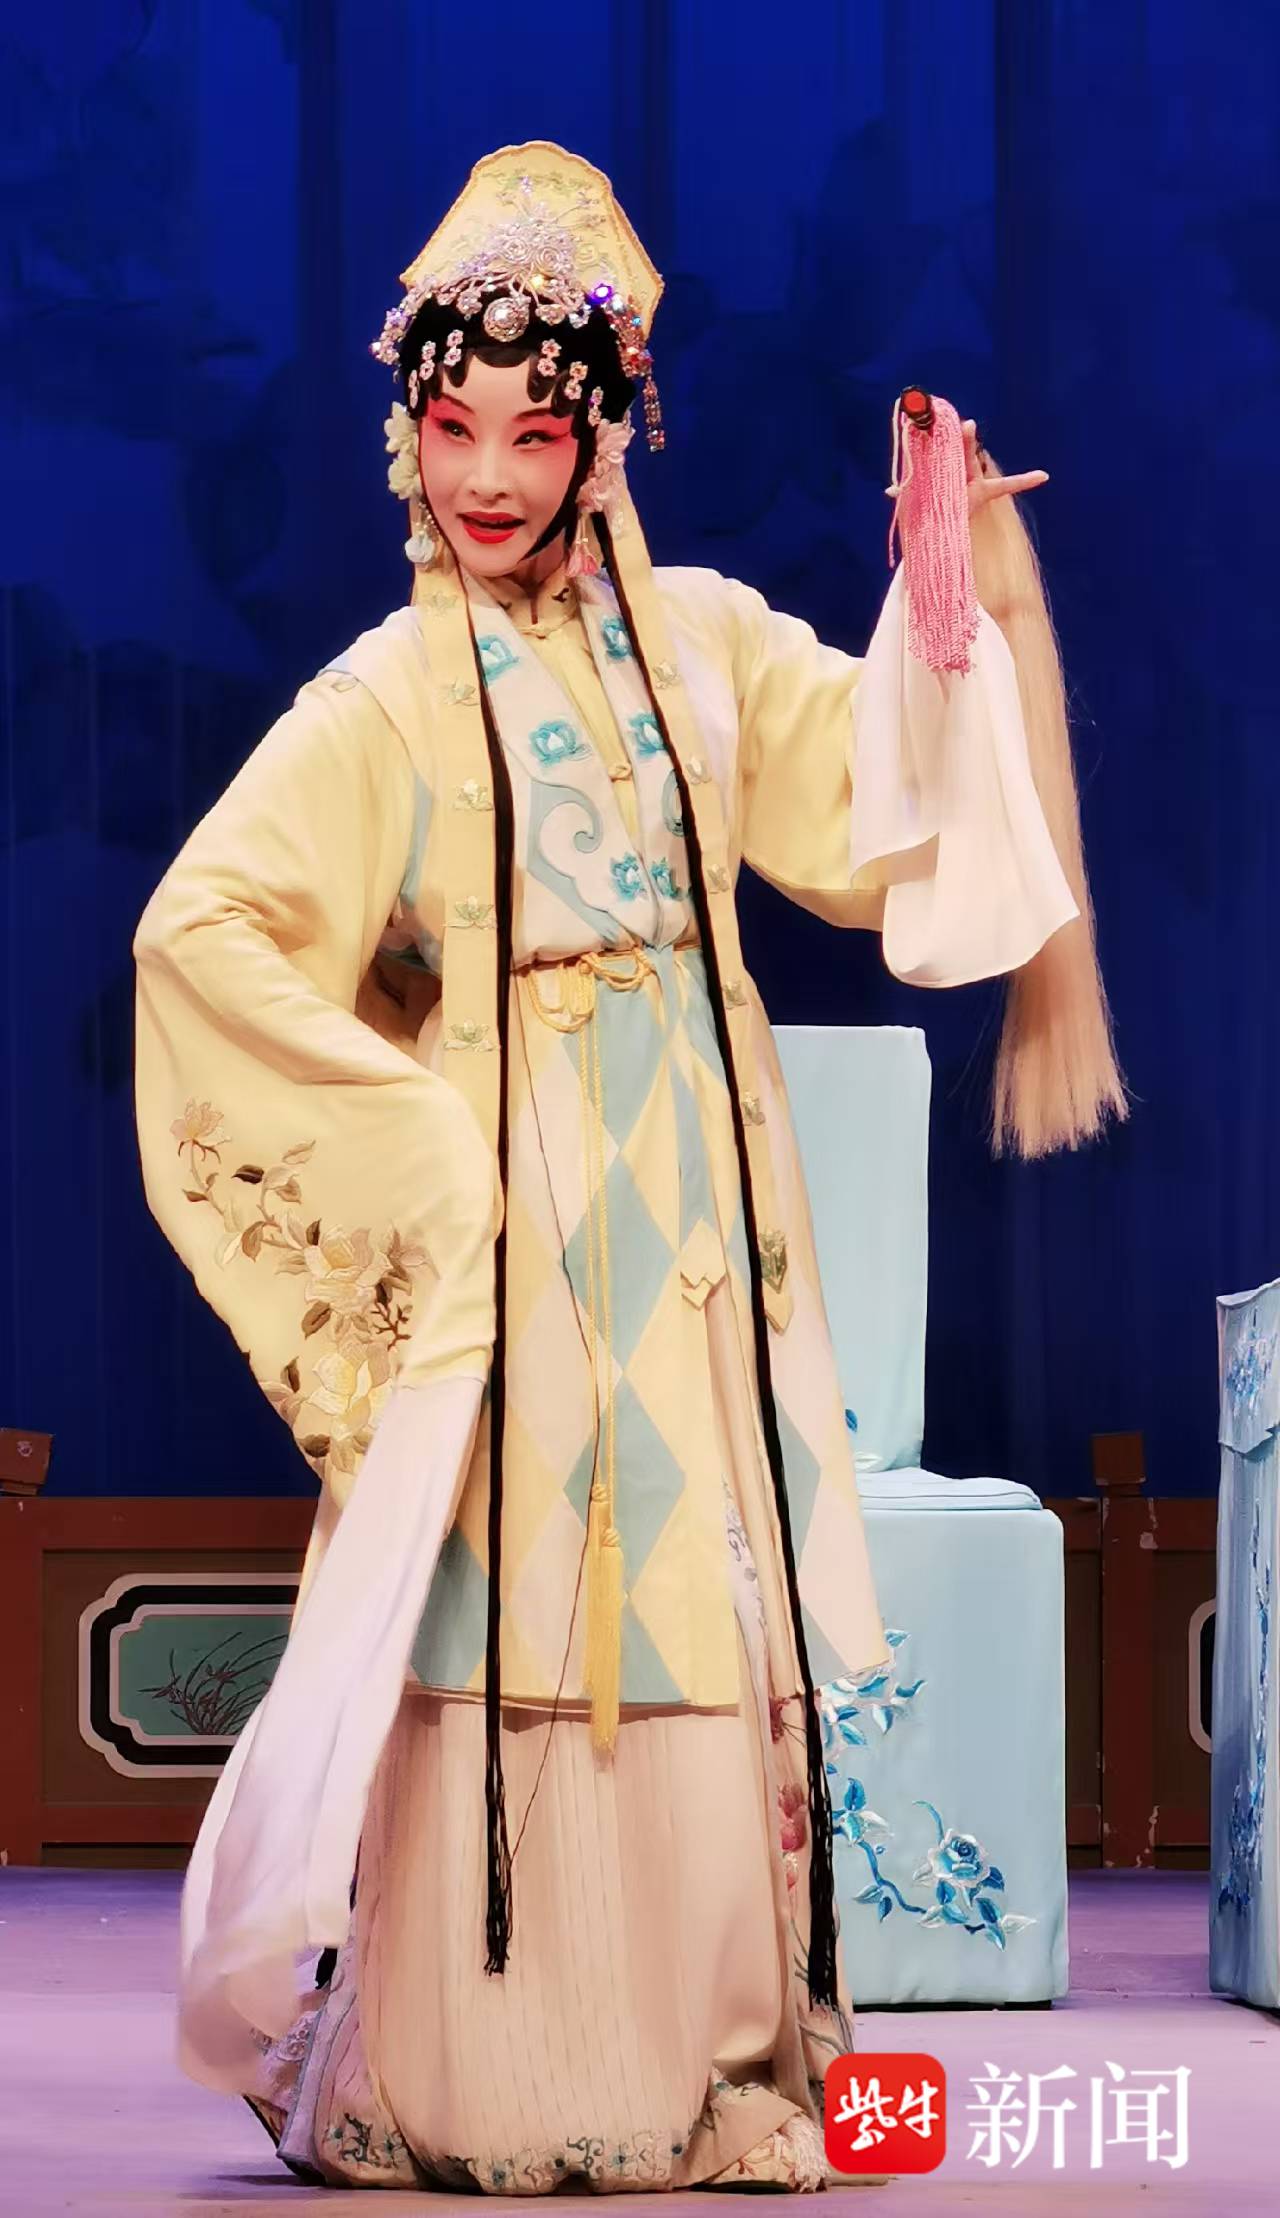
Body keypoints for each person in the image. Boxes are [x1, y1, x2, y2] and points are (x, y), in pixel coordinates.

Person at [133, 142, 1124, 2193]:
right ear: (409, 431)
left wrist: (947, 593)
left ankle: (705, 2056)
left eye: (536, 428)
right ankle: (486, 2066)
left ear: (604, 434)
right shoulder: (382, 700)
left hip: (687, 1227)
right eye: (455, 424)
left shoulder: (703, 644)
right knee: (515, 1604)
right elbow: (203, 930)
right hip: (513, 1239)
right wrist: (417, 1142)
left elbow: (873, 808)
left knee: (692, 1598)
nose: (490, 473)